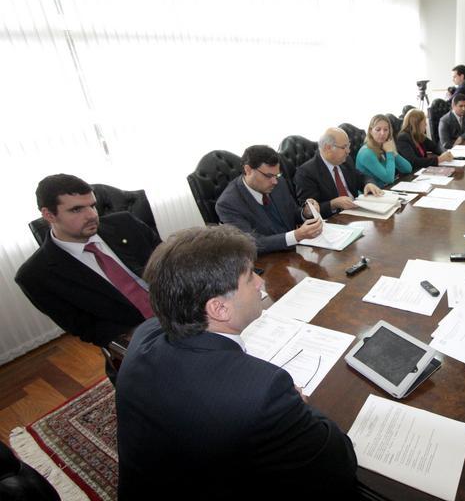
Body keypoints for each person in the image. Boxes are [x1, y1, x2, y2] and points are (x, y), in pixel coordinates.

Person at [115, 225, 358, 498]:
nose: (259, 282)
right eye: (250, 275)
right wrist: (297, 405)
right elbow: (338, 462)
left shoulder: (146, 333)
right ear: (219, 308)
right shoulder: (264, 392)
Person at [15, 174, 160, 348]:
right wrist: (140, 335)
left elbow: (171, 264)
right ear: (49, 215)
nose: (92, 215)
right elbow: (86, 327)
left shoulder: (125, 224)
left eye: (92, 205)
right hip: (142, 336)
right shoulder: (35, 276)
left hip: (179, 305)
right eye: (77, 210)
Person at [216, 145, 323, 254]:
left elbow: (292, 212)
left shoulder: (279, 182)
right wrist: (296, 236)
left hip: (294, 252)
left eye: (277, 175)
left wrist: (305, 213)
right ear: (248, 170)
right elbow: (250, 244)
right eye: (268, 176)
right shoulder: (228, 203)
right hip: (267, 259)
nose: (275, 181)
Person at [295, 127, 383, 217]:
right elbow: (309, 210)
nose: (348, 151)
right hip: (334, 219)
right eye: (344, 147)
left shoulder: (346, 160)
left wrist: (368, 183)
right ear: (328, 148)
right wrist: (333, 204)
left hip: (356, 211)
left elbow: (361, 177)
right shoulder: (306, 173)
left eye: (348, 146)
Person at [354, 114, 413, 187]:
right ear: (370, 131)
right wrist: (389, 152)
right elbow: (389, 179)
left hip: (386, 188)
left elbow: (408, 169)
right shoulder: (366, 153)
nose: (382, 133)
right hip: (372, 192)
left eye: (386, 130)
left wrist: (394, 153)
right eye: (378, 130)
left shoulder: (384, 146)